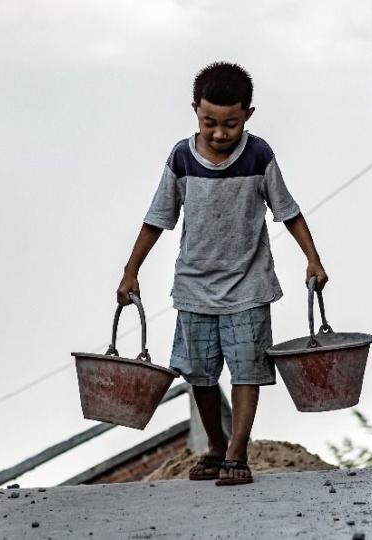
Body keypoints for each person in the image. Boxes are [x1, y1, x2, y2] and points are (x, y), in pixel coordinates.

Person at [116, 61, 328, 486]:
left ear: (248, 115)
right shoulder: (181, 158)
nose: (218, 133)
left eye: (230, 124)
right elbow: (156, 219)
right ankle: (215, 444)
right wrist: (130, 271)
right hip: (195, 288)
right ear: (195, 110)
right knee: (199, 373)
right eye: (209, 122)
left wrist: (314, 259)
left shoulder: (259, 155)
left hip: (249, 286)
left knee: (247, 371)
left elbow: (289, 212)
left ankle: (236, 452)